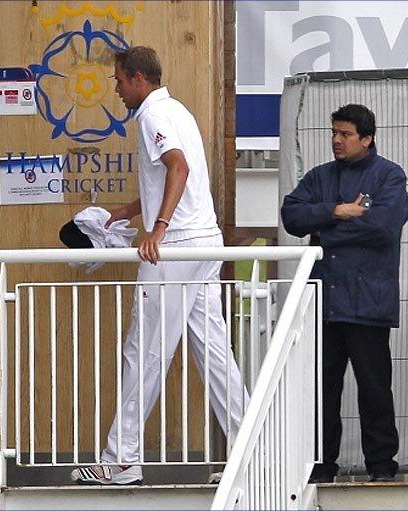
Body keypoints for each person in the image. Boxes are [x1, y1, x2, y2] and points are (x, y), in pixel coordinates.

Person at [71, 46, 248, 485]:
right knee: (214, 355)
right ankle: (252, 451)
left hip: (177, 249)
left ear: (136, 78)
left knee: (143, 350)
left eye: (118, 80)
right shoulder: (177, 111)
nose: (115, 88)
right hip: (205, 243)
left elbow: (178, 168)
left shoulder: (151, 117)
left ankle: (121, 458)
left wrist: (159, 229)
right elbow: (171, 176)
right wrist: (125, 213)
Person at [281, 104, 408, 483]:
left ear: (367, 138)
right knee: (323, 390)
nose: (336, 140)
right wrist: (337, 210)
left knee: (374, 389)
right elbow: (292, 216)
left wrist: (324, 230)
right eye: (334, 133)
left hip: (368, 302)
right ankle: (321, 468)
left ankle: (382, 468)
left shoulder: (389, 176)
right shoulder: (321, 177)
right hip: (323, 303)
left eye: (345, 134)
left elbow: (383, 227)